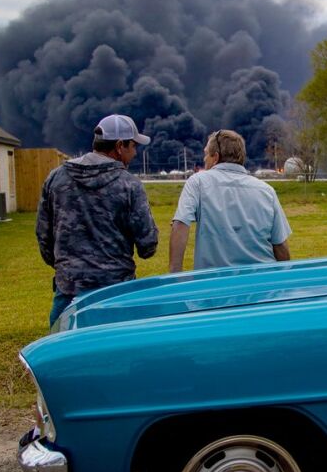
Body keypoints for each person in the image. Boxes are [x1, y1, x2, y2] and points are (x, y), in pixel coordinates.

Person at [36, 114, 158, 326]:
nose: (135, 152)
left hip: (68, 293)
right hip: (117, 295)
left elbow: (43, 234)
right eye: (133, 146)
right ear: (120, 146)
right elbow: (148, 246)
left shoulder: (55, 178)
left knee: (64, 356)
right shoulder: (130, 185)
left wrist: (66, 267)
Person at [169, 129, 291, 272]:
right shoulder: (267, 190)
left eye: (206, 154)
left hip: (215, 285)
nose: (204, 159)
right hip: (261, 283)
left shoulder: (197, 182)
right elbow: (281, 247)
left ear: (215, 157)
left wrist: (175, 275)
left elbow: (180, 224)